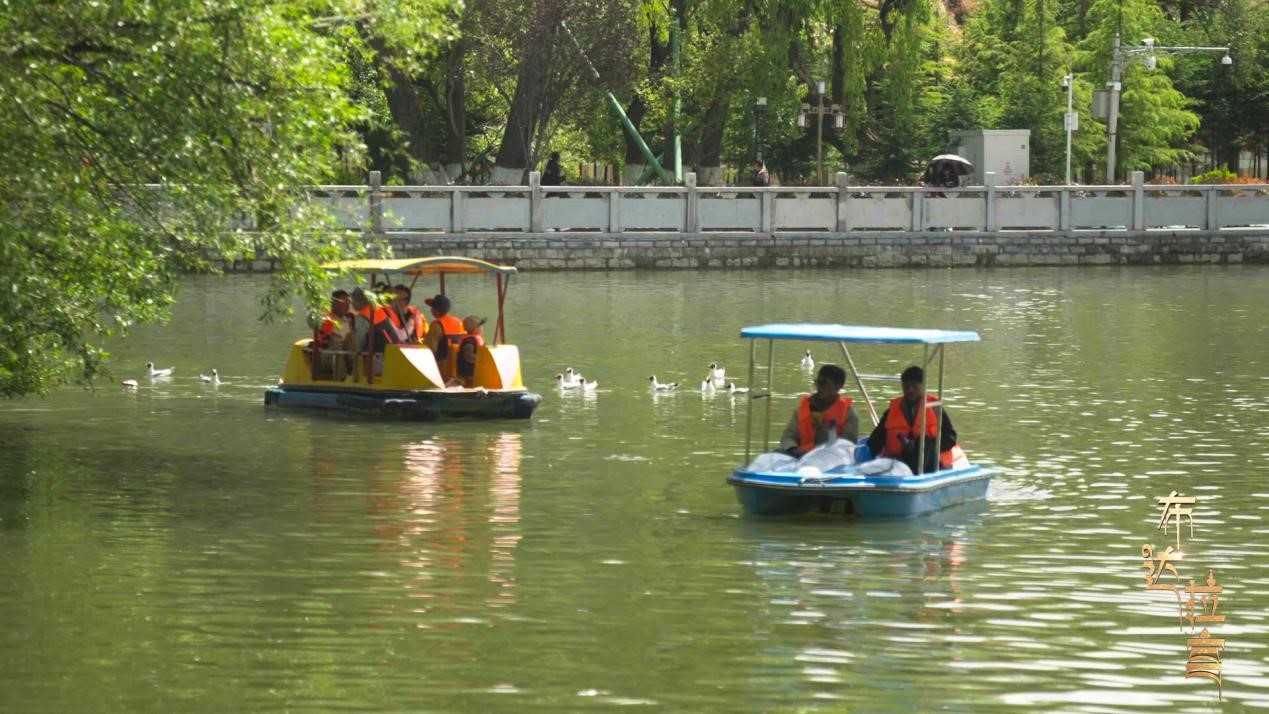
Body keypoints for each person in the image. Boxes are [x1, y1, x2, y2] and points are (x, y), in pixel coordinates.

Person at [867, 365, 964, 473]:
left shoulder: (935, 408)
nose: (910, 390)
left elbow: (950, 439)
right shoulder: (892, 411)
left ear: (923, 386)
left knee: (923, 441)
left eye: (914, 386)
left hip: (930, 463)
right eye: (906, 386)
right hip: (899, 461)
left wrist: (917, 446)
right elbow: (876, 440)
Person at [778, 364, 860, 457]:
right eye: (817, 382)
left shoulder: (849, 413)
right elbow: (788, 436)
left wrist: (823, 430)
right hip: (800, 456)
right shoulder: (803, 408)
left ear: (838, 386)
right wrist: (793, 449)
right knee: (775, 454)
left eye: (823, 383)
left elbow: (848, 446)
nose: (818, 387)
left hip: (832, 458)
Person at [350, 288, 399, 375]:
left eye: (353, 301)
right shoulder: (378, 310)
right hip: (393, 357)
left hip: (377, 361)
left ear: (361, 302)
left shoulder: (362, 317)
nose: (352, 304)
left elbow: (359, 343)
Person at [423, 293, 466, 365]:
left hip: (442, 367)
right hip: (458, 365)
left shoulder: (437, 325)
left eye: (432, 307)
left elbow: (429, 349)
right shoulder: (459, 322)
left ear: (435, 310)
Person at [453, 315, 486, 387]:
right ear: (475, 329)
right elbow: (469, 357)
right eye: (480, 326)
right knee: (467, 383)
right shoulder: (469, 342)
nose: (482, 328)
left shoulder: (474, 340)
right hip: (467, 375)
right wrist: (483, 359)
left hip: (473, 373)